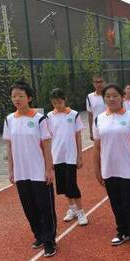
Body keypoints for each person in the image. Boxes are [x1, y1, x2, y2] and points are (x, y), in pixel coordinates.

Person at [3, 81, 57, 257]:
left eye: (20, 95)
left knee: (45, 207)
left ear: (29, 98)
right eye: (14, 96)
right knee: (29, 207)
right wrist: (11, 170)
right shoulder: (9, 120)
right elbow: (9, 148)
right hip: (21, 172)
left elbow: (47, 146)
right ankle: (39, 235)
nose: (16, 99)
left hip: (39, 171)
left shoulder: (39, 118)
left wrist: (49, 170)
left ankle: (50, 241)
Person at [93, 83, 130, 255]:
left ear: (122, 97)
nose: (111, 99)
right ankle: (122, 232)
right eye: (107, 96)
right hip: (109, 170)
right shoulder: (99, 119)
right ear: (104, 99)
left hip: (128, 170)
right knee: (116, 205)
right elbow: (97, 147)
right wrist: (97, 170)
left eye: (115, 95)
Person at [47, 88, 88, 226]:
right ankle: (72, 209)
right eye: (54, 103)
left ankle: (81, 212)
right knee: (63, 185)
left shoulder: (74, 115)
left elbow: (78, 136)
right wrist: (49, 158)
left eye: (59, 102)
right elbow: (48, 137)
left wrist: (80, 156)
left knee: (72, 184)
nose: (57, 105)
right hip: (57, 155)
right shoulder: (49, 116)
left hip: (71, 155)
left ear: (64, 100)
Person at [86, 74, 105, 141]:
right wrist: (91, 132)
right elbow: (90, 115)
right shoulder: (89, 97)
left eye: (101, 82)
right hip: (96, 128)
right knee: (98, 149)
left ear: (104, 82)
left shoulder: (109, 96)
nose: (99, 84)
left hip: (109, 127)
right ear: (93, 83)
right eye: (96, 82)